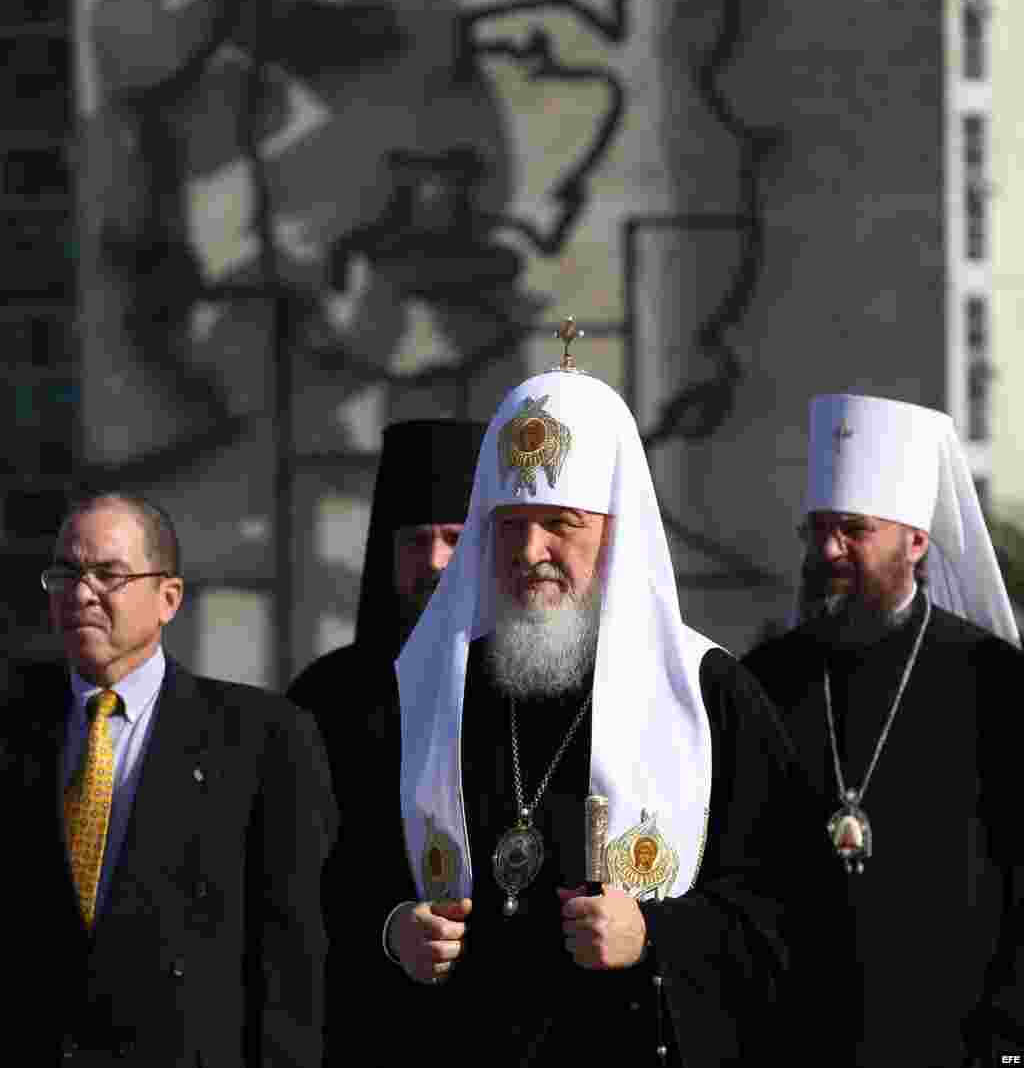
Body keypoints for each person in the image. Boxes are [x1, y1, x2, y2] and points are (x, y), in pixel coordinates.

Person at [339, 336, 804, 1067]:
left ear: (616, 534)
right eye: (511, 526)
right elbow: (346, 873)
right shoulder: (426, 688)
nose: (529, 553)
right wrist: (395, 928)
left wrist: (654, 937)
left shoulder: (710, 697)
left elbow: (788, 912)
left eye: (561, 524)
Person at [0, 490, 335, 1067]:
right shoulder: (15, 731)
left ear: (169, 598)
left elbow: (293, 957)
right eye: (65, 574)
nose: (81, 594)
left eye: (109, 574)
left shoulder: (263, 738)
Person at [744, 393, 1024, 1068]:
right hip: (797, 1041)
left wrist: (1010, 1036)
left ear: (916, 541)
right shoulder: (765, 680)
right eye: (817, 529)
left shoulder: (995, 680)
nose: (828, 550)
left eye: (853, 530)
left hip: (955, 1043)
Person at [288, 417, 486, 738]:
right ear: (389, 553)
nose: (434, 561)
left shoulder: (528, 692)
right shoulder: (322, 696)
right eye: (416, 541)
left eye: (454, 539)